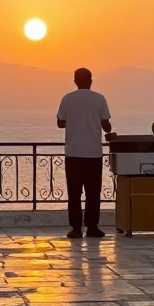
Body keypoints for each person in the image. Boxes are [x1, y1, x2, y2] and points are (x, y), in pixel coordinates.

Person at [57, 68, 112, 239]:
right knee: (93, 193)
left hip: (73, 153)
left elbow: (60, 123)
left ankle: (75, 229)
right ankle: (92, 227)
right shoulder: (99, 98)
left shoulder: (67, 98)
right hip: (93, 153)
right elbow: (106, 125)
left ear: (75, 81)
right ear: (91, 80)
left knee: (74, 193)